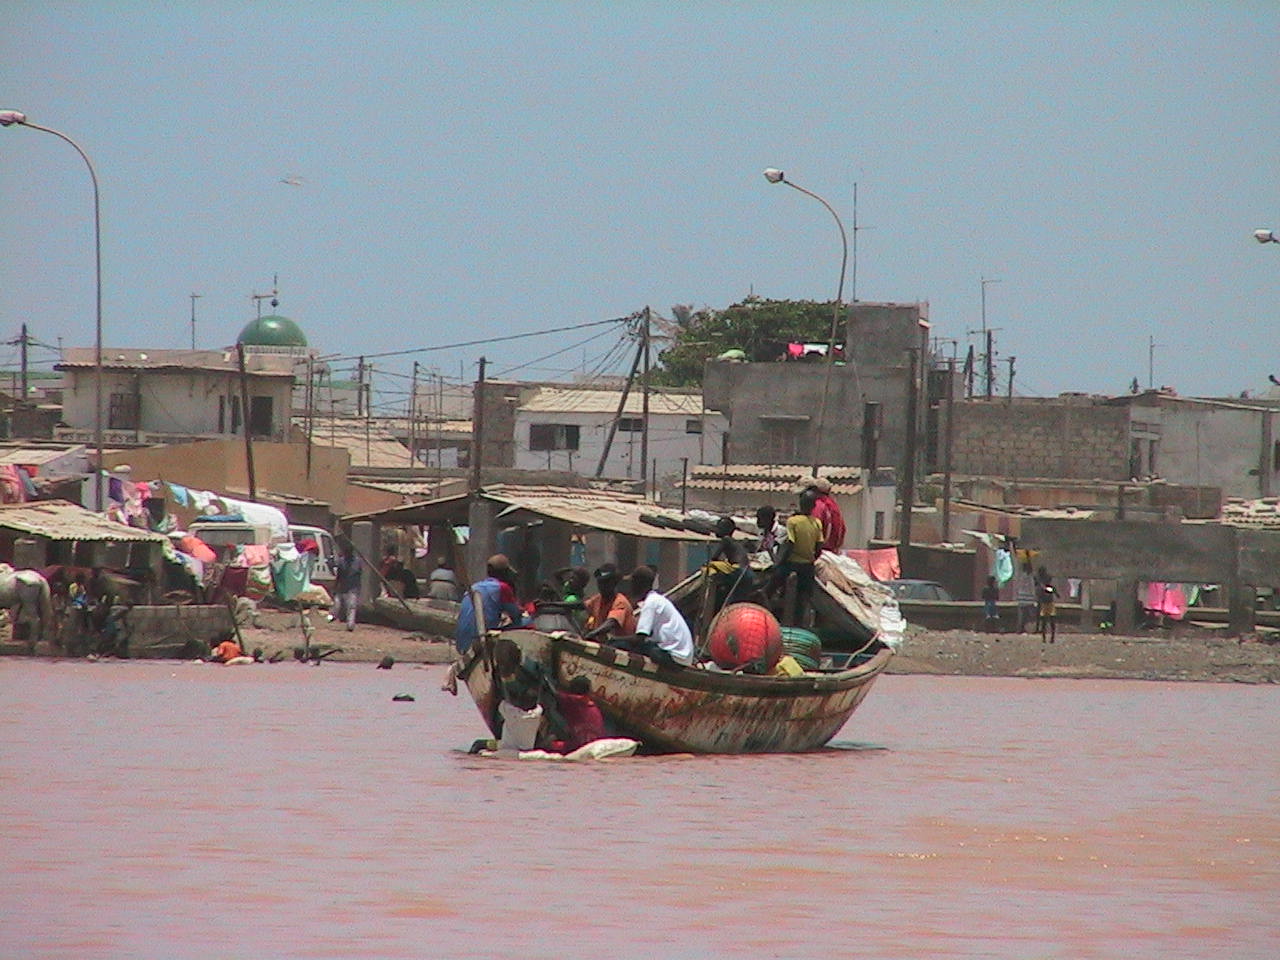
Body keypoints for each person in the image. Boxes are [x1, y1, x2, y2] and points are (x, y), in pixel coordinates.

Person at [609, 565, 695, 667]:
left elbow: (639, 639)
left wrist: (614, 639)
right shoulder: (656, 599)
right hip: (683, 656)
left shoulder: (651, 603)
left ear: (639, 584)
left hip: (675, 657)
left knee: (622, 645)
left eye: (633, 583)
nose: (630, 587)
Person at [777, 490, 824, 622]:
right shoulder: (817, 522)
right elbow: (819, 546)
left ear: (800, 503)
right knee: (804, 598)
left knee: (776, 584)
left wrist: (781, 562)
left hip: (793, 563)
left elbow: (790, 544)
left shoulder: (792, 521)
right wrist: (812, 557)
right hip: (808, 565)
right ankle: (800, 624)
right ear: (814, 506)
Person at [582, 563, 636, 641]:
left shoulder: (620, 602)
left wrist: (592, 634)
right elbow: (582, 605)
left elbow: (611, 622)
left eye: (605, 583)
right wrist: (559, 606)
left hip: (621, 648)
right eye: (600, 582)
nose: (602, 586)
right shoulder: (598, 599)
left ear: (614, 583)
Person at [709, 516, 755, 607]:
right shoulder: (735, 542)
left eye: (719, 528)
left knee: (711, 566)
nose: (716, 531)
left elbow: (714, 557)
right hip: (747, 572)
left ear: (726, 530)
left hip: (739, 571)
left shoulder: (726, 539)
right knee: (739, 600)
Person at [554, 674, 606, 753]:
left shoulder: (572, 702)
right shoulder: (594, 708)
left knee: (549, 743)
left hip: (576, 749)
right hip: (594, 749)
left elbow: (556, 695)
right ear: (588, 691)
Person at [808, 477, 847, 552]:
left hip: (821, 549)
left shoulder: (818, 505)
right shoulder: (834, 505)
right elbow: (843, 529)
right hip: (834, 549)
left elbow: (814, 527)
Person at [331, 543, 363, 632]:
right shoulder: (342, 561)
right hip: (345, 587)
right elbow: (339, 575)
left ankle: (350, 625)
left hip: (352, 587)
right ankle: (335, 618)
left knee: (351, 606)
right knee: (341, 606)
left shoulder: (357, 561)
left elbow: (359, 575)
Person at [1013, 560, 1038, 634]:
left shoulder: (1020, 576)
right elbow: (1032, 588)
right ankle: (1031, 629)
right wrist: (1034, 598)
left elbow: (1018, 586)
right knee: (1031, 616)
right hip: (1029, 598)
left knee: (1021, 616)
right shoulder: (1030, 577)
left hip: (1021, 598)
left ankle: (1020, 629)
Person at [1038, 573, 1058, 643]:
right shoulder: (1050, 588)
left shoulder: (1044, 588)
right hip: (1049, 605)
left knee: (1045, 622)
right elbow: (1057, 595)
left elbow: (1039, 596)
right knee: (1050, 622)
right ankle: (1051, 638)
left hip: (1046, 605)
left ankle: (1045, 638)